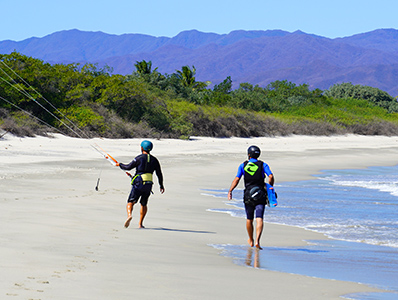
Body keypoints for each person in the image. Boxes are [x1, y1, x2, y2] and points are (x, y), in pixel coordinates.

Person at [228, 145, 274, 249]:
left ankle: (251, 239)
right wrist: (270, 186)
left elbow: (237, 179)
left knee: (249, 219)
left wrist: (230, 190)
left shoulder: (243, 165)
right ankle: (258, 240)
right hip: (260, 194)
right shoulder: (263, 165)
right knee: (259, 218)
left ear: (249, 154)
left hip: (248, 195)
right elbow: (270, 176)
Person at [116, 140, 165, 228]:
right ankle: (140, 224)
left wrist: (120, 164)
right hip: (149, 184)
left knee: (131, 201)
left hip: (139, 182)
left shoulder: (139, 158)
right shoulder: (155, 160)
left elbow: (128, 167)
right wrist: (161, 185)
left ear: (142, 148)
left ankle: (129, 215)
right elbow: (159, 174)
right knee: (144, 203)